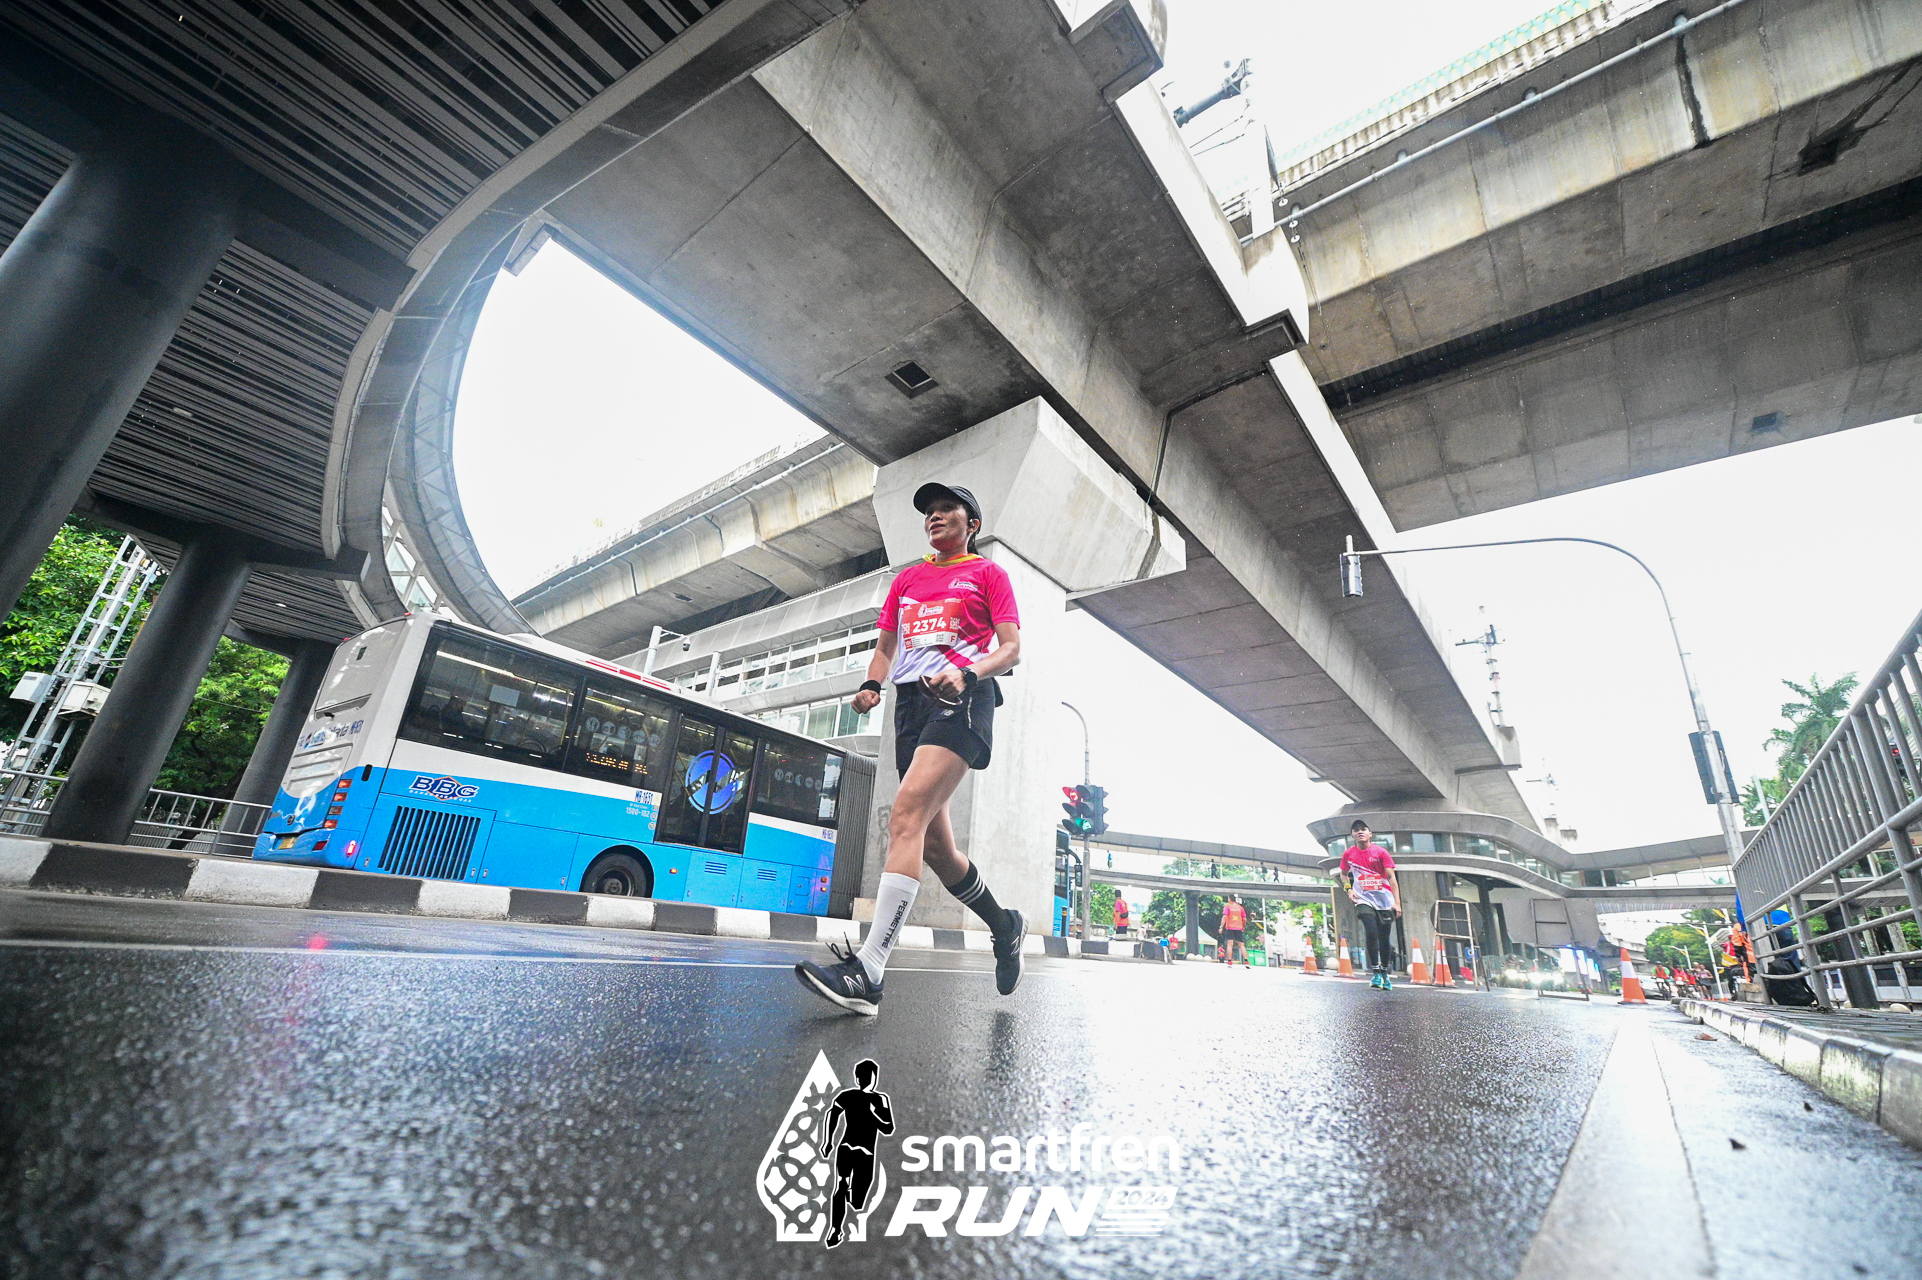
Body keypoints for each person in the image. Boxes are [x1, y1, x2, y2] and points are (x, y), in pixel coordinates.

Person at [795, 482, 1025, 1015]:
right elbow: (886, 645)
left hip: (961, 699)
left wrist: (968, 673)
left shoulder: (987, 574)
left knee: (904, 817)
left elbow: (1011, 648)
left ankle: (870, 970)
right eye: (929, 511)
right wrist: (872, 685)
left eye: (947, 509)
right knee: (936, 849)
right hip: (909, 707)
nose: (934, 516)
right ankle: (1004, 924)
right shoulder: (908, 580)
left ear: (972, 523)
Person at [820, 1059, 894, 1249]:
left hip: (865, 1153)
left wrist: (872, 1115)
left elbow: (888, 1128)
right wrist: (828, 1141)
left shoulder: (880, 1099)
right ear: (858, 1078)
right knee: (841, 1184)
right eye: (864, 1076)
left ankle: (848, 1198)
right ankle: (836, 1229)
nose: (867, 1079)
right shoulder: (848, 1096)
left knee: (857, 1200)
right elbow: (832, 1114)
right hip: (848, 1148)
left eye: (870, 1076)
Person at [1338, 820, 1402, 990]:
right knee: (1371, 931)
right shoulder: (1349, 854)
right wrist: (1349, 890)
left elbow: (1391, 878)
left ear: (1370, 833)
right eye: (1356, 830)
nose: (1360, 832)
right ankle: (1375, 972)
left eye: (1363, 829)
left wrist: (1397, 903)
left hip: (1384, 900)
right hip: (1363, 899)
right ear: (1352, 835)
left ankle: (1384, 972)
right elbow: (1343, 874)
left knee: (1384, 938)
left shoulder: (1381, 852)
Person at [1220, 895, 1250, 967]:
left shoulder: (1228, 906)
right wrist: (1243, 926)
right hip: (1239, 928)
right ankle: (1246, 962)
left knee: (1230, 945)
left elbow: (1224, 917)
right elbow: (1244, 919)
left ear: (1229, 899)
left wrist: (1221, 927)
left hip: (1230, 928)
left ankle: (1230, 962)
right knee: (1241, 945)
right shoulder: (1240, 908)